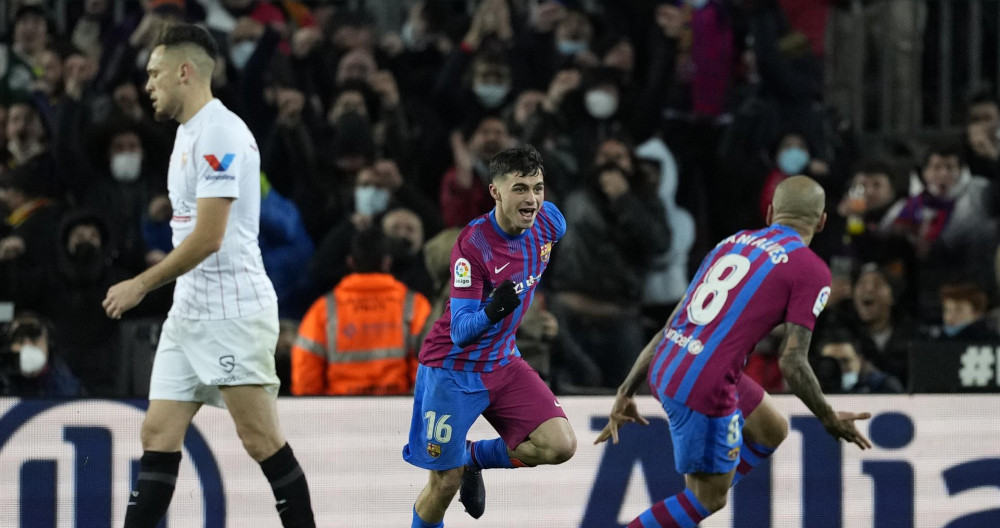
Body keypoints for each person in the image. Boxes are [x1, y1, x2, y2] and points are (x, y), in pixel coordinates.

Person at [100, 24, 315, 528]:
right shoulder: (187, 133)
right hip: (189, 311)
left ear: (184, 71)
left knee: (261, 440)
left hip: (231, 312)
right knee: (157, 433)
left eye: (155, 74)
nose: (148, 84)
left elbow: (209, 237)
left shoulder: (221, 131)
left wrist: (140, 283)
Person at [596, 176, 872, 528]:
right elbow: (792, 360)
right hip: (705, 383)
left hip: (669, 361)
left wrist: (626, 389)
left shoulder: (733, 242)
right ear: (821, 222)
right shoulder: (812, 269)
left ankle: (696, 495)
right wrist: (828, 418)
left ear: (771, 212)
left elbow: (673, 323)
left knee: (772, 428)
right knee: (706, 499)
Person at [403, 145, 576, 528]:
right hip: (452, 370)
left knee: (560, 445)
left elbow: (540, 251)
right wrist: (493, 309)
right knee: (442, 485)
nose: (532, 200)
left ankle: (473, 457)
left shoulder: (551, 223)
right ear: (495, 192)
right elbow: (462, 331)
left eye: (538, 187)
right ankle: (455, 467)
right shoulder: (472, 247)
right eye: (520, 189)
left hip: (502, 361)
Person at [291, 229, 431, 396]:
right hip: (398, 410)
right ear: (387, 262)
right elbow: (429, 365)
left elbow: (305, 369)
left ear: (351, 262)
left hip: (339, 413)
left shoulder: (324, 310)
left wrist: (315, 409)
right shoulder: (414, 305)